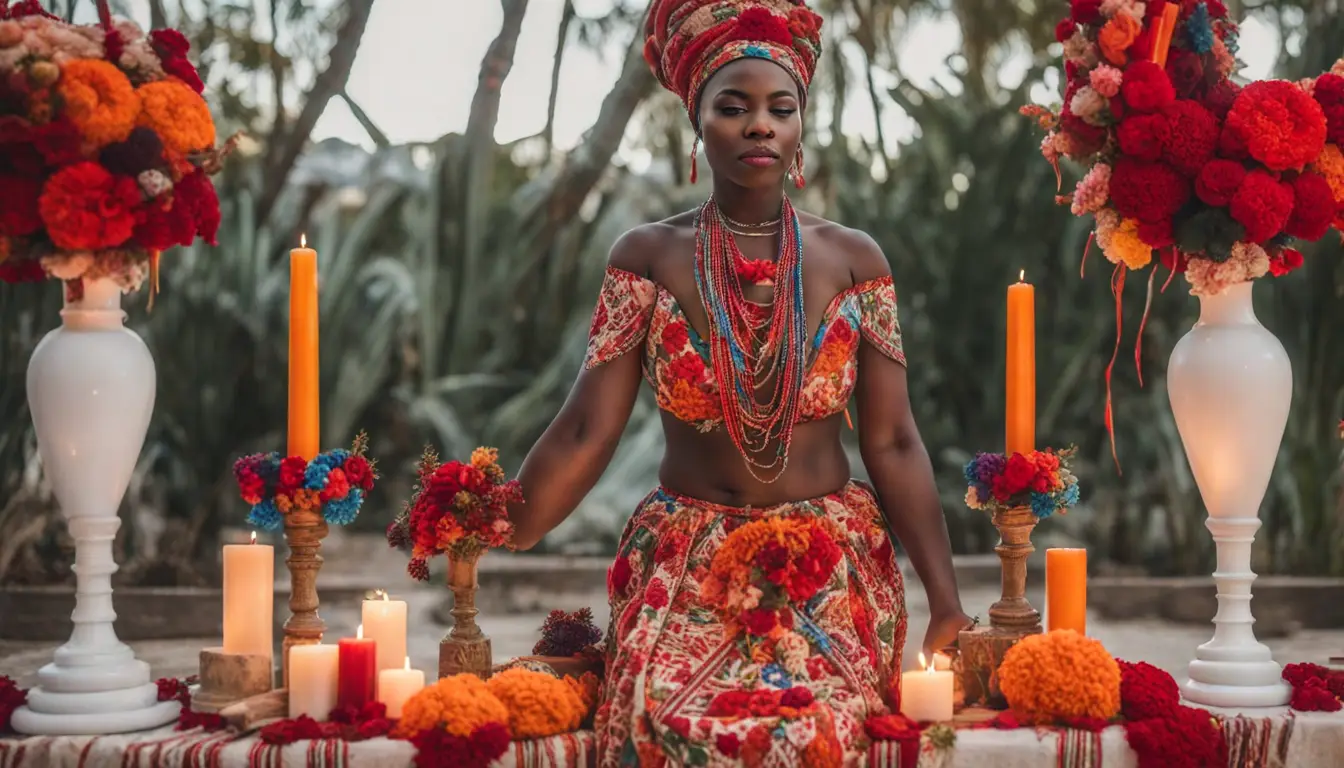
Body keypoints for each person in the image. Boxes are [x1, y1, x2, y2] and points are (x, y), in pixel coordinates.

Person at [507, 0, 970, 763]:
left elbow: (891, 440)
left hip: (830, 564)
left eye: (779, 108)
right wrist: (499, 524)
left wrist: (946, 603)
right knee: (662, 733)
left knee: (818, 739)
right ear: (698, 124)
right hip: (685, 569)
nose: (760, 125)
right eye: (734, 107)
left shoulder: (856, 260)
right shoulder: (646, 257)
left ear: (798, 127)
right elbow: (588, 430)